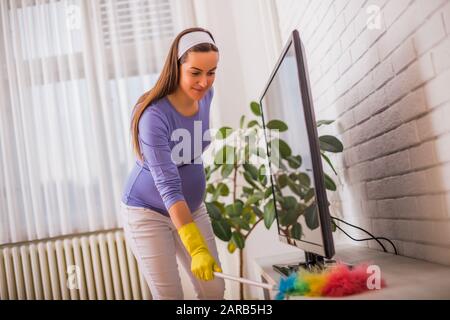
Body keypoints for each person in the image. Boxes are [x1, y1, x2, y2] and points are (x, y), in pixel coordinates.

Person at [120, 27, 225, 300]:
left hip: (192, 207)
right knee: (170, 297)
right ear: (176, 67)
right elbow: (168, 185)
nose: (204, 82)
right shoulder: (153, 115)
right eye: (195, 73)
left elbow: (192, 147)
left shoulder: (205, 96)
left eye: (211, 72)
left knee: (214, 290)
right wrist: (196, 247)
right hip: (148, 214)